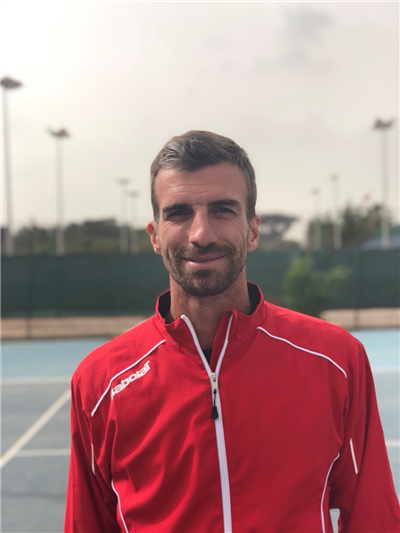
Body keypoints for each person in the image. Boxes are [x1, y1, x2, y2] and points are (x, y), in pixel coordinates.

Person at [65, 130, 399, 533]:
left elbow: (373, 514)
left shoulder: (336, 360)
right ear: (155, 235)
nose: (201, 234)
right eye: (178, 213)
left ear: (252, 230)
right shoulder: (99, 382)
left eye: (222, 210)